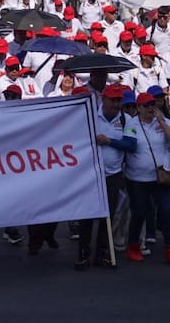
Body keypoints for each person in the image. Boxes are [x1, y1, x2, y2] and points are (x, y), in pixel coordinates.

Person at [75, 84, 136, 270]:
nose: (116, 105)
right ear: (104, 99)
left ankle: (102, 253)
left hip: (113, 174)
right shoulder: (91, 116)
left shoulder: (126, 120)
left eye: (119, 101)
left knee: (107, 216)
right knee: (87, 215)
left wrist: (110, 141)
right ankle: (83, 252)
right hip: (91, 174)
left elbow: (131, 144)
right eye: (113, 100)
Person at [123, 92, 170, 262]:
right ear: (138, 108)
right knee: (139, 213)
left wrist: (161, 121)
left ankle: (168, 247)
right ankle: (133, 246)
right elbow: (129, 142)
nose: (151, 108)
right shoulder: (131, 123)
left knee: (167, 210)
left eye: (152, 104)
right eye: (146, 105)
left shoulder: (162, 121)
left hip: (161, 177)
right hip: (138, 179)